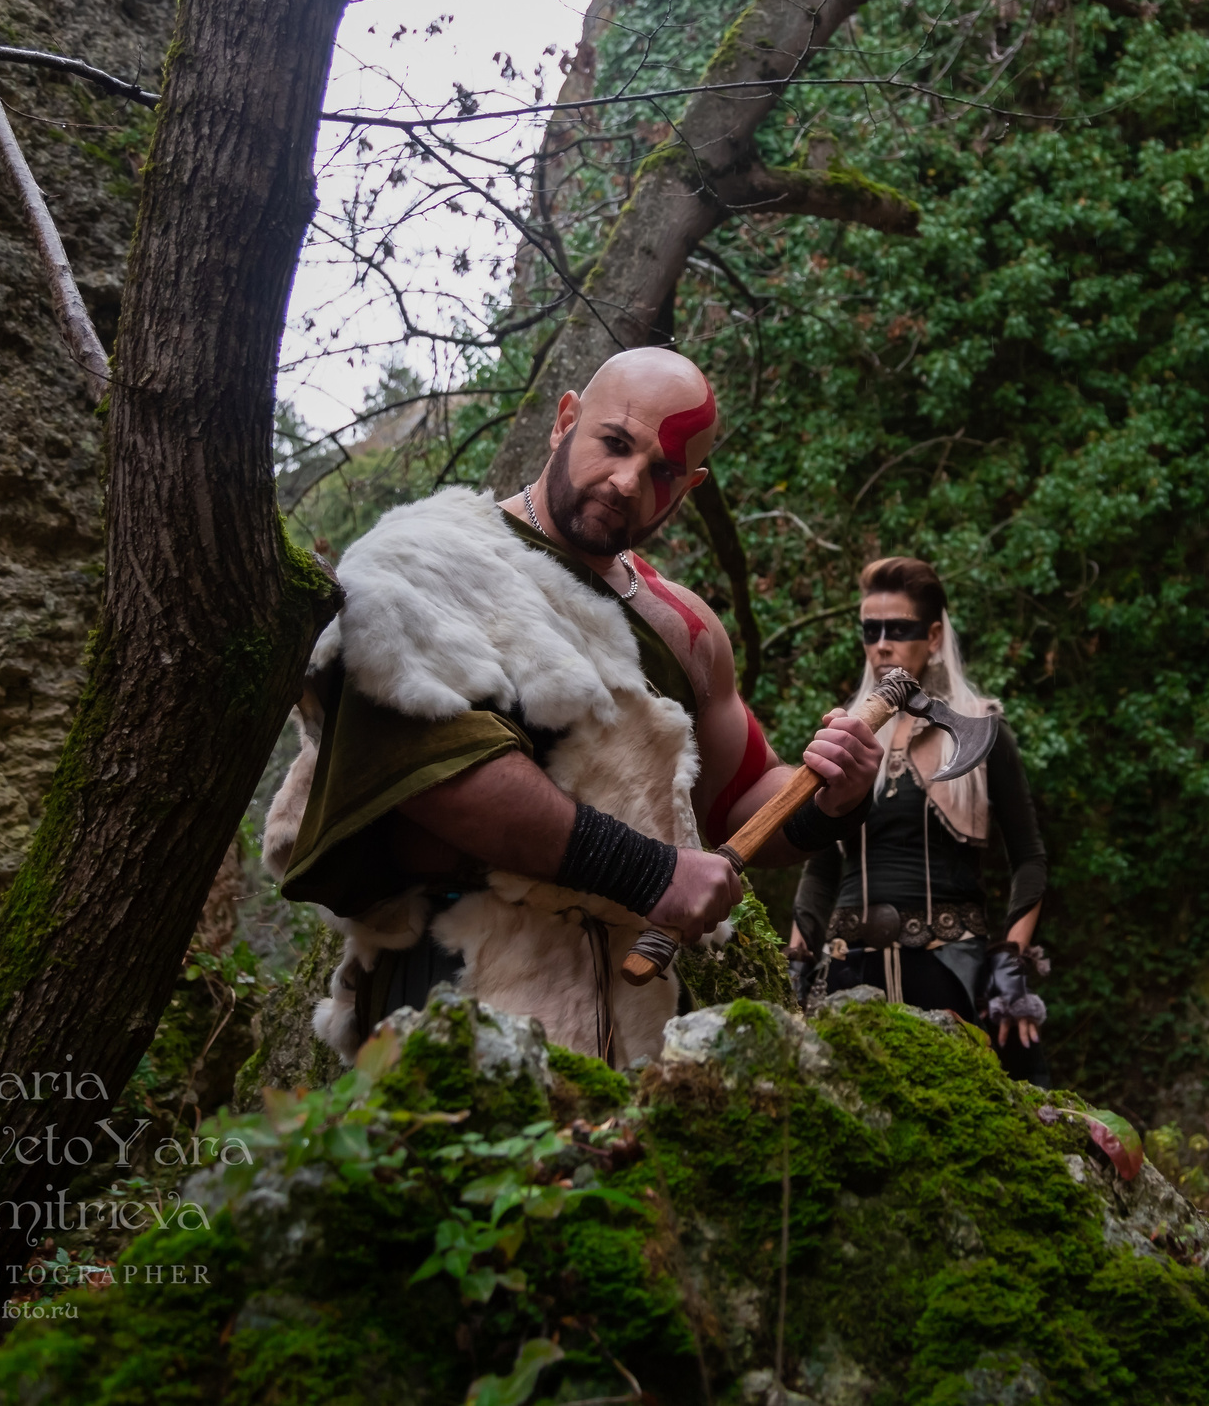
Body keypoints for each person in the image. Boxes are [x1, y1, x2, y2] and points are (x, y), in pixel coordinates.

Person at [261, 348, 882, 1067]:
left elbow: (739, 804)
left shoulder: (686, 628)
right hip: (455, 969)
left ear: (689, 488)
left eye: (662, 472)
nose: (627, 481)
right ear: (565, 421)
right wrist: (651, 873)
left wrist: (830, 797)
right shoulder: (423, 559)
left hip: (631, 1002)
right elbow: (439, 776)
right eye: (614, 442)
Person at [788, 558, 1050, 1081]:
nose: (882, 645)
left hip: (948, 972)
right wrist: (797, 958)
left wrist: (1011, 960)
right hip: (847, 973)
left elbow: (1029, 859)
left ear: (932, 636)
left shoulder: (982, 728)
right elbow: (821, 866)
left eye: (899, 630)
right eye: (871, 630)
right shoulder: (847, 738)